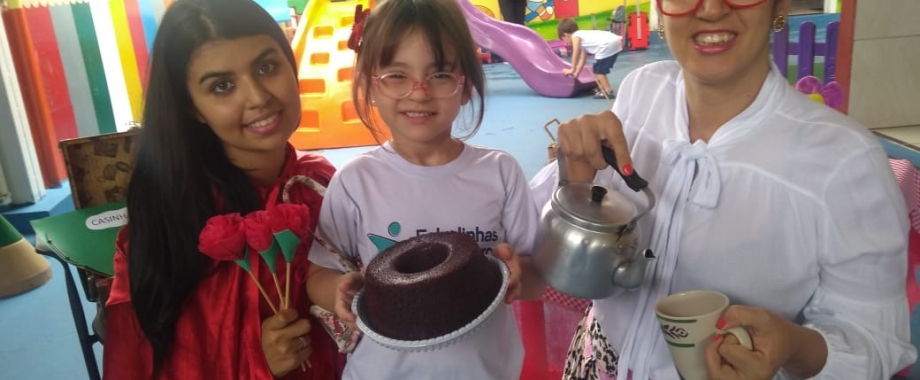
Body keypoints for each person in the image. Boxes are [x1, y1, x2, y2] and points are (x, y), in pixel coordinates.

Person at [532, 0, 918, 378]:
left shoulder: (845, 162)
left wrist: (793, 347)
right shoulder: (641, 90)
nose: (712, 9)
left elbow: (876, 341)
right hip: (596, 359)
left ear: (779, 7)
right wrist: (576, 179)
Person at [102, 0, 344, 378]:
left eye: (267, 67)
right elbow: (146, 366)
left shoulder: (324, 185)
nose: (258, 97)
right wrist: (257, 366)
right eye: (222, 86)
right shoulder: (175, 228)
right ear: (193, 108)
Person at [305, 0, 544, 378]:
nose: (419, 93)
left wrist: (518, 275)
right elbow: (316, 272)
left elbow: (534, 279)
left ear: (466, 87)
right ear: (370, 85)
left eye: (439, 75)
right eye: (397, 75)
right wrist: (336, 289)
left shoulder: (500, 173)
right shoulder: (355, 182)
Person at [557, 18, 623, 99]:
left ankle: (608, 91)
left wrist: (572, 69)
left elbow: (576, 53)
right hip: (615, 41)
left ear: (565, 34)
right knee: (600, 68)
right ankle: (603, 87)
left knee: (598, 70)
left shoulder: (575, 36)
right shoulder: (583, 37)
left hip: (607, 44)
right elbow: (582, 60)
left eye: (564, 40)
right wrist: (576, 75)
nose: (566, 42)